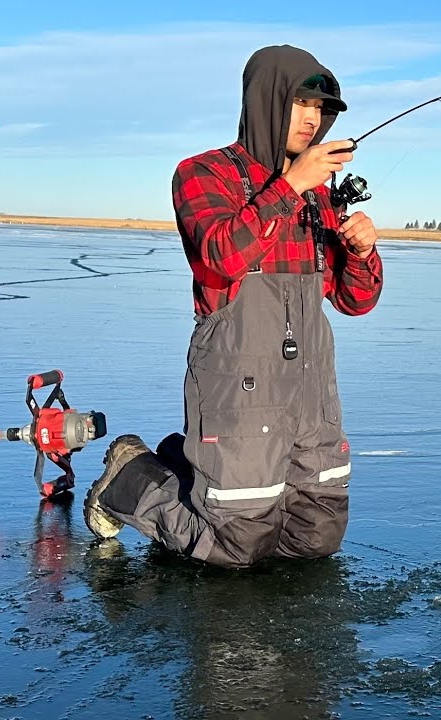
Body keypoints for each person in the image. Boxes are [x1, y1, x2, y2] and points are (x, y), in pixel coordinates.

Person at [81, 44, 384, 568]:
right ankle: (129, 476)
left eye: (321, 108)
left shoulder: (320, 193)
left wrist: (362, 252)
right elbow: (220, 256)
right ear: (266, 100)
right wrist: (290, 186)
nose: (313, 119)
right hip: (238, 383)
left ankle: (197, 472)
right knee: (237, 543)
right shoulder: (203, 173)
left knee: (318, 538)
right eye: (300, 103)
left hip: (311, 389)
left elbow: (355, 301)